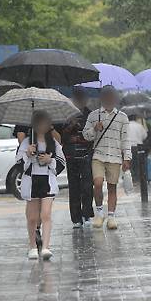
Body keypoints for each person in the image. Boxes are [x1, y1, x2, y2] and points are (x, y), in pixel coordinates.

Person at [16, 110, 66, 260]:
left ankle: (45, 246)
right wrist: (28, 154)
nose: (42, 126)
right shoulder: (27, 142)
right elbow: (18, 165)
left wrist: (50, 161)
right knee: (32, 217)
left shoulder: (54, 143)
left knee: (46, 215)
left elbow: (61, 163)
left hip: (47, 181)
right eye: (39, 123)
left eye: (45, 123)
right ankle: (32, 246)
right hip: (31, 182)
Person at [82, 85, 131, 230]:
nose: (109, 99)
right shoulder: (93, 115)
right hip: (98, 155)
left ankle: (111, 216)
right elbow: (86, 135)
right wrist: (94, 129)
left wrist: (127, 157)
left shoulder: (123, 117)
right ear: (102, 98)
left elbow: (126, 139)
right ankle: (99, 212)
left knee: (112, 187)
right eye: (106, 96)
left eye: (112, 96)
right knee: (97, 183)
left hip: (115, 156)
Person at [61, 86, 94, 229]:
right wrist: (71, 126)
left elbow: (93, 136)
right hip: (71, 155)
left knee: (87, 186)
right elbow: (61, 136)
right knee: (74, 187)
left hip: (86, 155)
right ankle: (76, 218)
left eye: (82, 97)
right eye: (77, 97)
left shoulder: (90, 115)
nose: (80, 100)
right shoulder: (66, 115)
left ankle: (87, 214)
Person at [127, 114, 148, 182]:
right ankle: (137, 180)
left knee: (129, 165)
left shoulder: (125, 126)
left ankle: (130, 180)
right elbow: (145, 136)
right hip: (138, 147)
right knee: (137, 165)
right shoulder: (139, 126)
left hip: (128, 147)